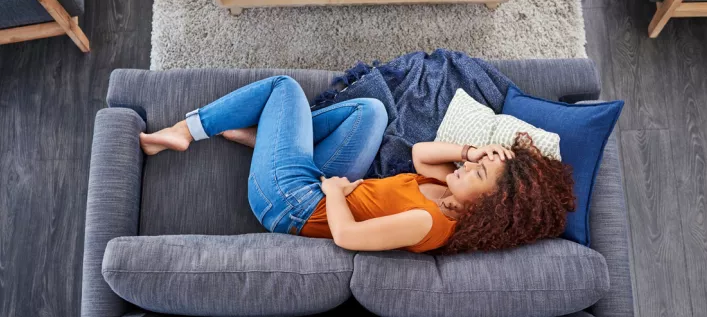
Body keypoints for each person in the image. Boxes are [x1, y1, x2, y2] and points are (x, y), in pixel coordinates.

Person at [140, 75, 576, 254]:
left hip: (294, 204)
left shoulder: (430, 223)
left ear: (490, 207)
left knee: (284, 87)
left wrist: (333, 192)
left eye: (477, 176)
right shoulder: (449, 192)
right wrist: (471, 153)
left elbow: (347, 237)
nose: (466, 170)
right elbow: (422, 152)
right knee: (370, 112)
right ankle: (268, 141)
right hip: (319, 185)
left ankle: (187, 130)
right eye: (475, 167)